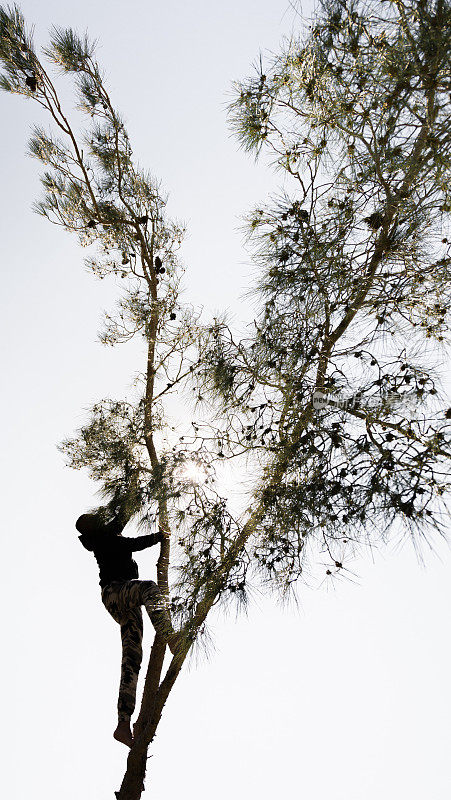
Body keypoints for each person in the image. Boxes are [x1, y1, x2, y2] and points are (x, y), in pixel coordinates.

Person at [76, 507, 180, 748]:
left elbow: (124, 514)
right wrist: (159, 537)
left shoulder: (105, 534)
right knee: (149, 588)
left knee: (132, 657)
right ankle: (170, 635)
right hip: (116, 592)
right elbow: (130, 543)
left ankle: (123, 724)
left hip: (122, 600)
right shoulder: (102, 538)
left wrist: (134, 491)